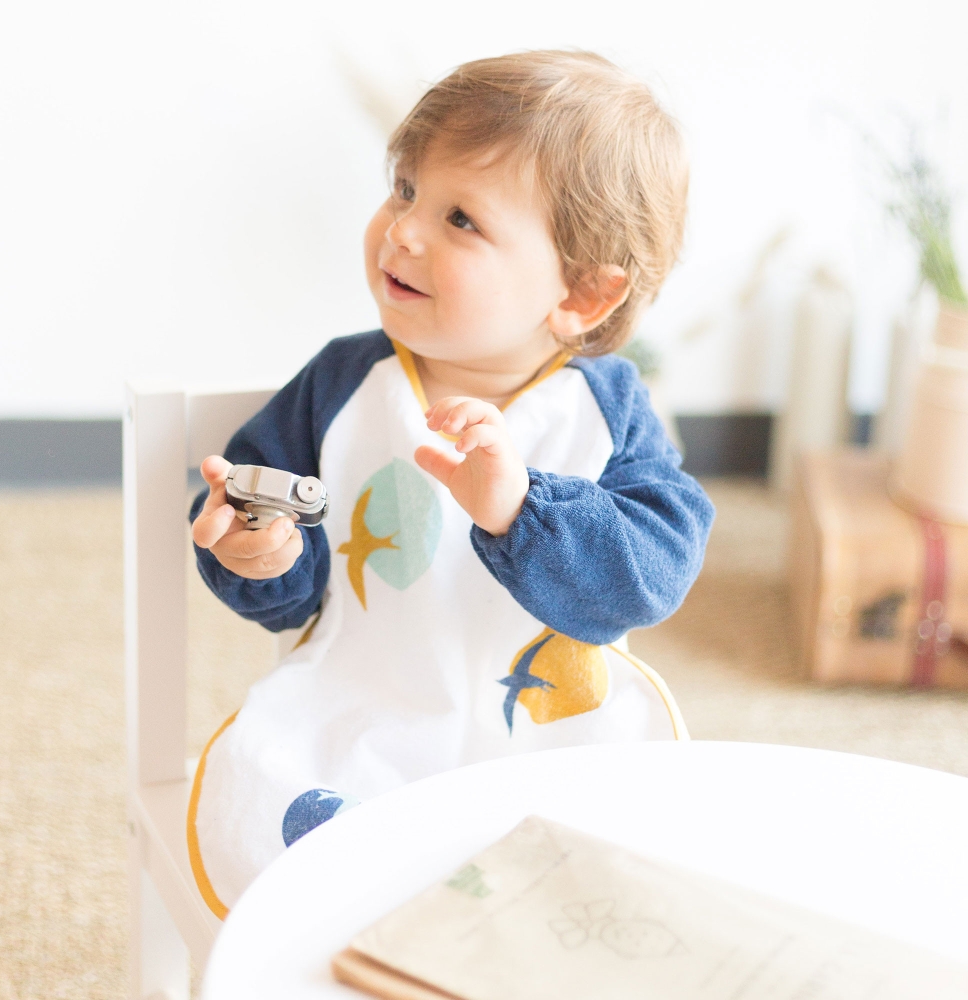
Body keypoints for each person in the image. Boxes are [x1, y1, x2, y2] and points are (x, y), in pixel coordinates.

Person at [187, 50, 715, 917]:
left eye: (460, 219)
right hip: (366, 706)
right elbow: (286, 568)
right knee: (296, 846)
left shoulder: (605, 406)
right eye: (404, 189)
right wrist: (260, 550)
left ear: (582, 293)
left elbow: (653, 572)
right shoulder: (344, 382)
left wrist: (520, 509)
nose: (404, 230)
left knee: (603, 886)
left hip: (552, 737)